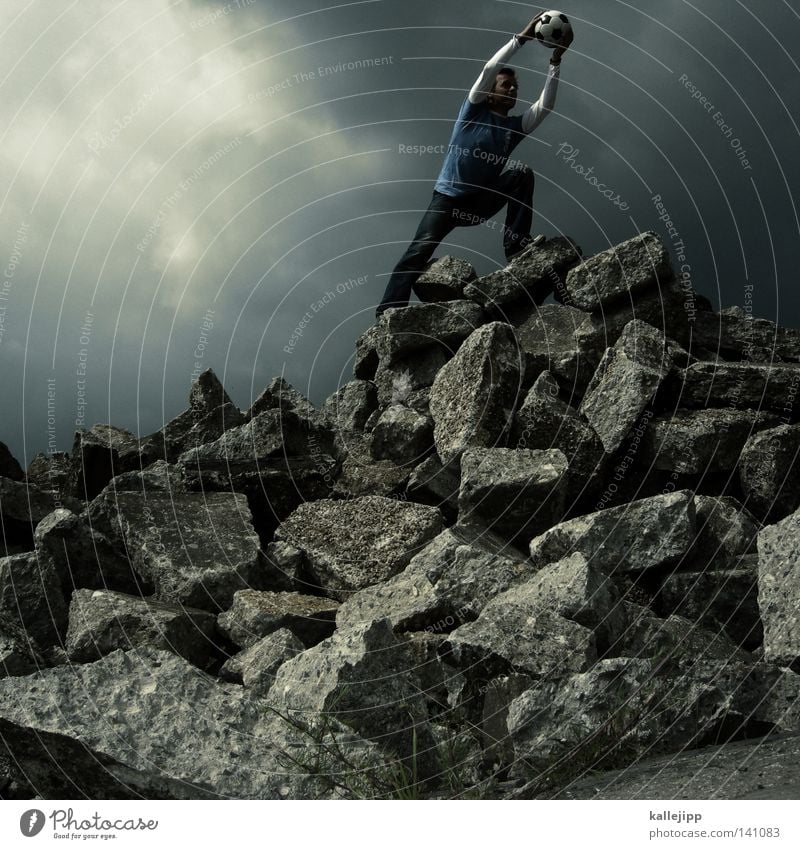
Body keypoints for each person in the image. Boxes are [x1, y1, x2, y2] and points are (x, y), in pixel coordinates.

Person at [375, 12, 573, 318]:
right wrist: (522, 37)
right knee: (417, 252)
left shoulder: (513, 130)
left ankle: (516, 247)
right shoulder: (473, 111)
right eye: (505, 85)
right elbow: (490, 68)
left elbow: (545, 107)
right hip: (446, 202)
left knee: (521, 175)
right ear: (490, 93)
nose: (512, 90)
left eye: (514, 87)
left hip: (479, 203)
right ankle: (388, 313)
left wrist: (556, 62)